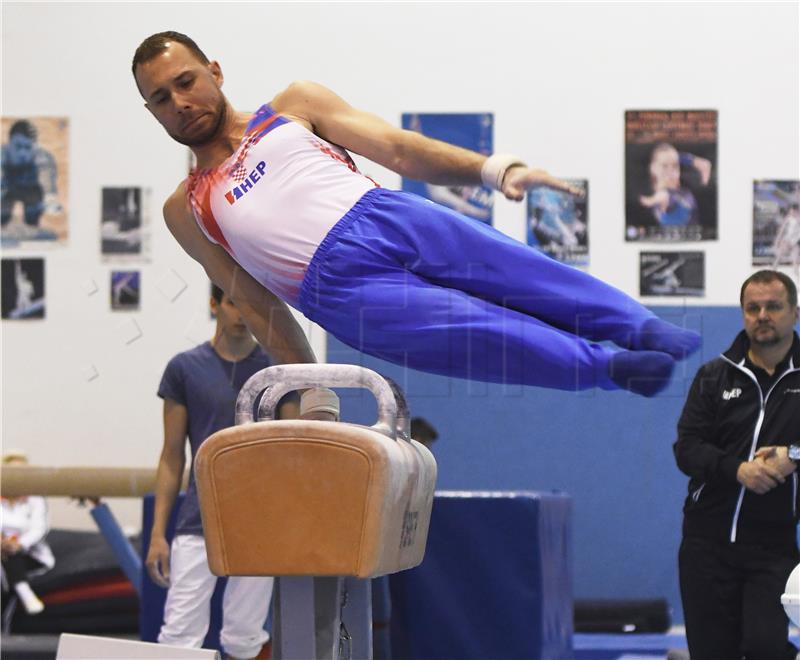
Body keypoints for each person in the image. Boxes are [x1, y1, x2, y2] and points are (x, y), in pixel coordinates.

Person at [131, 31, 701, 398]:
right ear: (151, 111)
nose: (179, 103)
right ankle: (609, 369)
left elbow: (399, 149)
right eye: (160, 98)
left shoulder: (293, 105)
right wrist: (312, 388)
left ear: (215, 70)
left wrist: (496, 169)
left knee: (517, 272)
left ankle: (640, 325)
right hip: (338, 292)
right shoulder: (187, 210)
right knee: (480, 337)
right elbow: (257, 304)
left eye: (185, 82)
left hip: (383, 216)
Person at [146, 284, 288, 659]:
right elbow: (172, 456)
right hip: (200, 518)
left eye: (249, 307)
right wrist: (158, 534)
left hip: (260, 520)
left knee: (245, 635)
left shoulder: (277, 371)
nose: (241, 315)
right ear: (214, 305)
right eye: (232, 304)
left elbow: (294, 453)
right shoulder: (185, 368)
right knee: (179, 633)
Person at [673, 269, 800, 659]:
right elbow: (687, 448)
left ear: (795, 313)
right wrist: (737, 469)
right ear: (743, 314)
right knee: (712, 652)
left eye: (774, 307)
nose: (762, 315)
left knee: (764, 645)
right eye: (753, 308)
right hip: (706, 543)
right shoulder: (714, 375)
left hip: (774, 545)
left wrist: (792, 456)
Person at [1, 451, 55, 616]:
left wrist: (19, 544)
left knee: (10, 554)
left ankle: (22, 588)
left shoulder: (35, 499)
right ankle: (23, 590)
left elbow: (39, 528)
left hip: (30, 556)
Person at [638, 143, 711, 227]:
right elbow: (663, 197)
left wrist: (687, 159)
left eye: (675, 166)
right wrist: (651, 200)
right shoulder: (651, 193)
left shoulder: (688, 189)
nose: (671, 171)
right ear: (653, 168)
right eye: (664, 166)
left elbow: (705, 165)